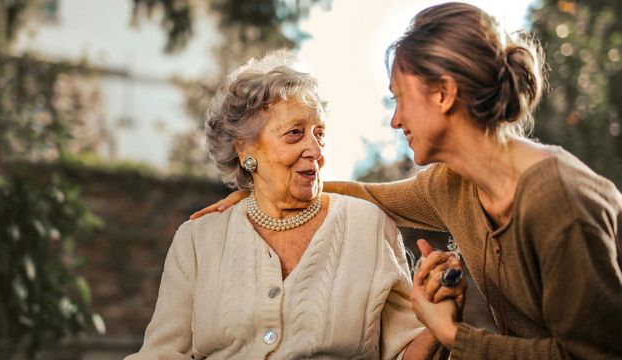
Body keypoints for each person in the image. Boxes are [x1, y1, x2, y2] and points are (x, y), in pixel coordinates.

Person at [191, 3, 622, 359]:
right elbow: (365, 194)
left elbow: (594, 354)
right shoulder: (451, 185)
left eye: (399, 98)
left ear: (443, 93)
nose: (395, 120)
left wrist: (453, 335)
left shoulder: (558, 201)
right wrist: (262, 193)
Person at [126, 51, 464, 360]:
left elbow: (405, 353)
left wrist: (439, 325)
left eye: (319, 133)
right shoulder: (198, 240)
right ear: (245, 150)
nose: (315, 151)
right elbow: (162, 353)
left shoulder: (369, 226)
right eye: (294, 134)